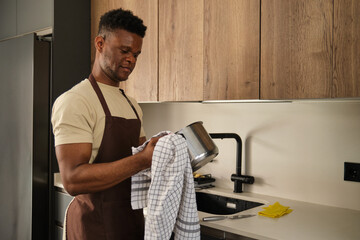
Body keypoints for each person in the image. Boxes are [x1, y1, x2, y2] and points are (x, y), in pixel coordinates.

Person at [51, 8, 161, 240]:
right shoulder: (75, 101)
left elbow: (140, 163)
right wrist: (142, 159)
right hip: (94, 226)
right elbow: (72, 179)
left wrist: (164, 154)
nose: (131, 59)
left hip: (130, 223)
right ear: (100, 43)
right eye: (124, 50)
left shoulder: (131, 104)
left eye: (136, 54)